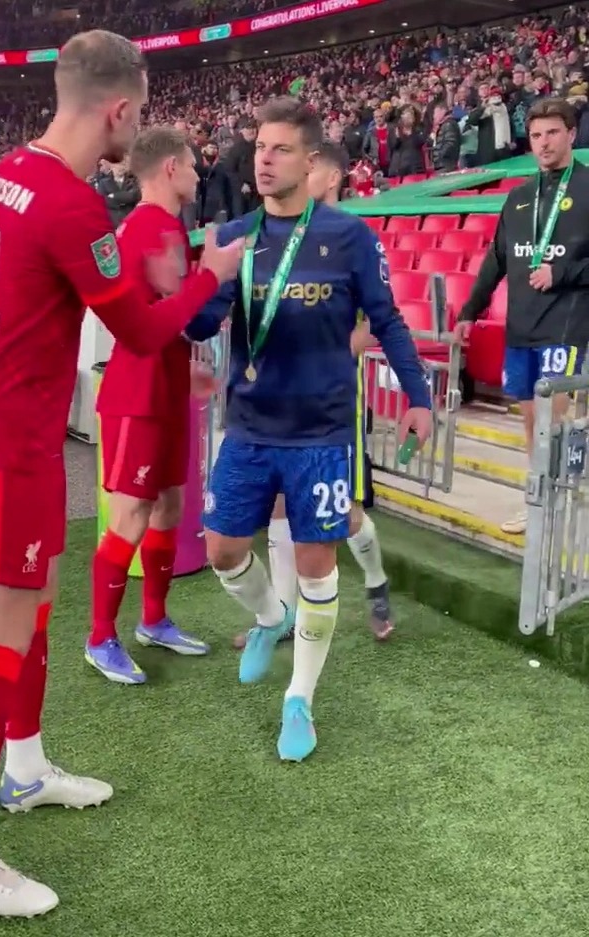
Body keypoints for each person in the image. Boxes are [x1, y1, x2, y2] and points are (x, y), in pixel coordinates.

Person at [0, 30, 243, 917]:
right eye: (136, 113)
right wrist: (208, 273)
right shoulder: (69, 205)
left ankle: (23, 768)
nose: (135, 127)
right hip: (5, 434)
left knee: (34, 608)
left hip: (5, 420)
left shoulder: (5, 170)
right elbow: (145, 332)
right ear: (118, 109)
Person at [200, 98, 432, 763]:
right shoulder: (235, 236)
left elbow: (387, 320)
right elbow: (196, 326)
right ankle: (271, 619)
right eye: (259, 149)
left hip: (322, 433)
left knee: (314, 565)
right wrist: (200, 287)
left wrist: (416, 394)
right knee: (222, 550)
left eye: (279, 149)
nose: (264, 160)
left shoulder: (349, 237)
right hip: (247, 427)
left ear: (311, 161)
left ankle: (299, 698)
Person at [234, 142, 393, 649]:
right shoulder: (274, 235)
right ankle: (281, 614)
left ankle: (375, 579)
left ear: (329, 177)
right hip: (277, 403)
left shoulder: (353, 238)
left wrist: (350, 338)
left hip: (331, 403)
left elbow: (380, 315)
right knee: (281, 505)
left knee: (345, 514)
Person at [87, 126, 219, 684]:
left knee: (168, 505)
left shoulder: (167, 228)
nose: (196, 174)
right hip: (136, 395)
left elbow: (174, 318)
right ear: (169, 168)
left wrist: (191, 359)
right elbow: (148, 324)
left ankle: (155, 619)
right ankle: (99, 638)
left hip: (166, 388)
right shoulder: (145, 231)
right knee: (131, 515)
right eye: (191, 165)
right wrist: (213, 275)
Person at [455, 97, 589, 536]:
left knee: (555, 417)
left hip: (566, 323)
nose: (544, 143)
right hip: (523, 326)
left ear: (571, 134)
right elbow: (496, 260)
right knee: (533, 419)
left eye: (553, 132)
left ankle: (556, 504)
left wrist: (562, 271)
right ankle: (540, 501)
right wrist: (470, 312)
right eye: (536, 135)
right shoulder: (518, 197)